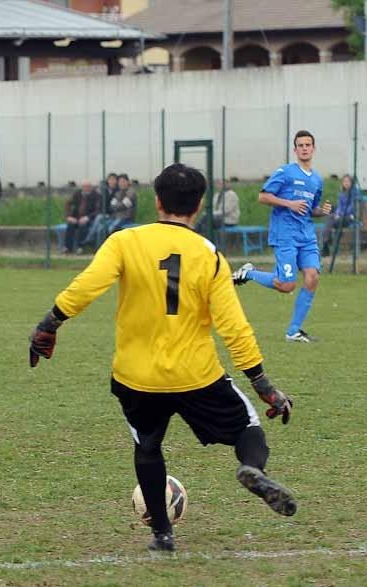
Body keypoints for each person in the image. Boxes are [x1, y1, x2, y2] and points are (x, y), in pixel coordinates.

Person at [28, 163, 296, 552]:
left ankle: (163, 535)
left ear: (157, 201)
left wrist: (48, 324)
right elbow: (234, 327)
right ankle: (253, 469)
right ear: (200, 206)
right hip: (196, 375)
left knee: (148, 446)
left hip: (136, 377)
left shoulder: (125, 241)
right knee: (246, 428)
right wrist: (263, 384)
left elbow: (86, 286)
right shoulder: (210, 255)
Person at [232, 130, 332, 343]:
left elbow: (309, 209)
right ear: (295, 150)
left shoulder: (317, 180)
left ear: (314, 149)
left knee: (312, 277)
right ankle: (249, 273)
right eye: (301, 145)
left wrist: (321, 211)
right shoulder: (285, 172)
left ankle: (294, 331)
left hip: (306, 235)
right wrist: (289, 204)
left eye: (308, 145)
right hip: (285, 234)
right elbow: (263, 196)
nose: (305, 148)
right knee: (287, 285)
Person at [321, 174, 360, 256]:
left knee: (333, 221)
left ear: (351, 183)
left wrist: (340, 214)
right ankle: (326, 242)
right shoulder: (341, 194)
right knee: (330, 217)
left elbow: (352, 208)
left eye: (348, 181)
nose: (346, 183)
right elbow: (339, 206)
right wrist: (337, 214)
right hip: (340, 218)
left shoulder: (355, 193)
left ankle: (326, 244)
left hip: (350, 217)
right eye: (344, 181)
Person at [60, 179, 100, 254]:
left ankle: (80, 247)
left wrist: (87, 217)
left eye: (88, 186)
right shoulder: (77, 193)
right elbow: (67, 204)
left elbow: (98, 210)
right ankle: (67, 248)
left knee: (83, 226)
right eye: (84, 186)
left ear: (91, 187)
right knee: (70, 225)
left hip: (89, 218)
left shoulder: (96, 195)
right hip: (76, 217)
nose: (86, 188)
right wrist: (68, 216)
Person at [82, 173, 117, 250]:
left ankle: (89, 239)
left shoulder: (117, 191)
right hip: (105, 214)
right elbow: (102, 205)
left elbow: (114, 206)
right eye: (110, 179)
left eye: (113, 180)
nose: (112, 181)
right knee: (100, 227)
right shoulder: (105, 191)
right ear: (108, 181)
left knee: (99, 218)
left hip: (113, 215)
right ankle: (97, 248)